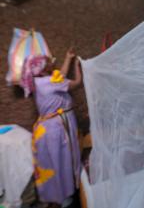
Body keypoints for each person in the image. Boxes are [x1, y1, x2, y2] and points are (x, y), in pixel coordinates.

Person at [31, 48, 82, 207]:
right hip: (57, 129)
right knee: (63, 160)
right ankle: (65, 197)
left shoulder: (38, 82)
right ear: (44, 68)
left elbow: (59, 76)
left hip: (45, 129)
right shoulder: (51, 82)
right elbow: (77, 83)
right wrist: (78, 67)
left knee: (51, 162)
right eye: (49, 63)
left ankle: (51, 196)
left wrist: (67, 57)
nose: (52, 64)